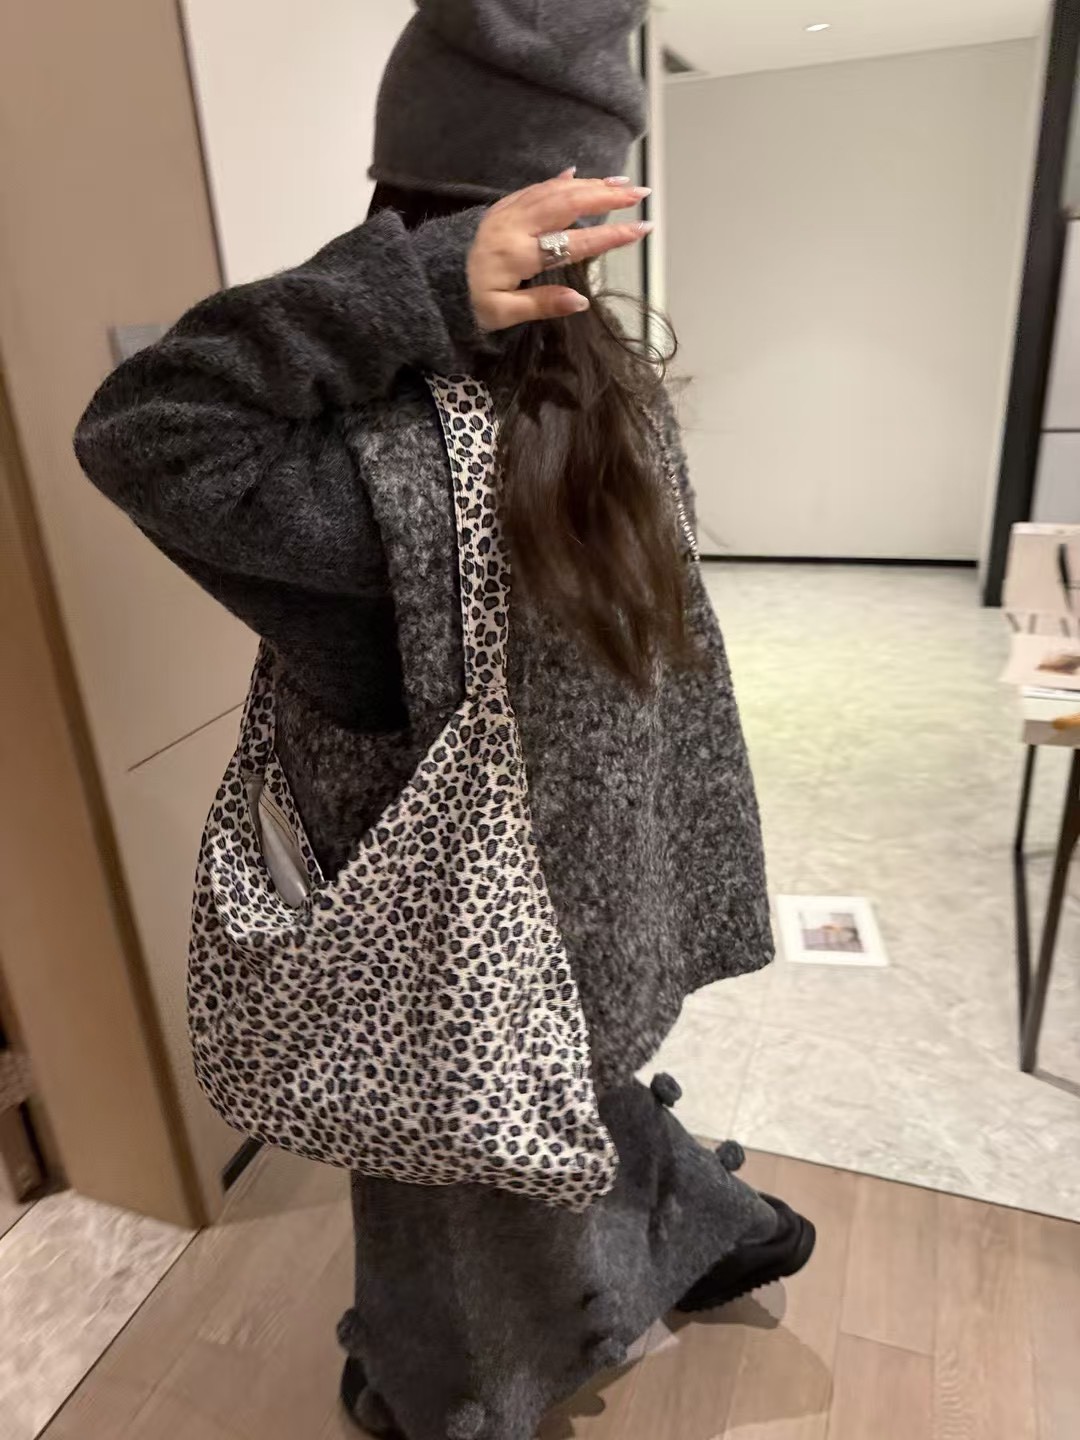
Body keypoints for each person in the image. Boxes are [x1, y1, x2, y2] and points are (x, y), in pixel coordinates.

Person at [74, 3, 814, 1437]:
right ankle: (692, 1225)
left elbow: (141, 427)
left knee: (446, 1168)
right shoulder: (614, 400)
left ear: (399, 197)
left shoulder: (377, 472)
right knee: (571, 1076)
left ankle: (455, 1389)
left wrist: (399, 281)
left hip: (449, 922)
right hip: (603, 890)